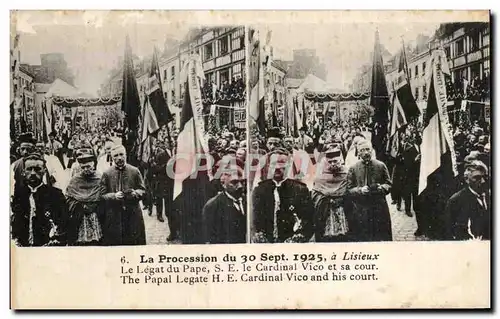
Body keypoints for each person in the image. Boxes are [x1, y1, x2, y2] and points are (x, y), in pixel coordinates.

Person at [252, 148, 314, 243]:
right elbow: (256, 221)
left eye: (281, 163)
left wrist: (297, 238)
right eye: (273, 163)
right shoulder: (260, 190)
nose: (277, 167)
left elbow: (308, 219)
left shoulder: (300, 190)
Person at [11, 153, 68, 246]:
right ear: (23, 172)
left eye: (37, 169)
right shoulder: (18, 194)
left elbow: (63, 222)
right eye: (29, 169)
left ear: (44, 171)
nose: (33, 173)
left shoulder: (56, 194)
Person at [99, 144, 147, 246]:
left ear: (126, 155)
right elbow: (101, 195)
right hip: (114, 215)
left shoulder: (134, 171)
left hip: (133, 214)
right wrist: (113, 196)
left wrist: (136, 193)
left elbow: (143, 190)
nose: (119, 158)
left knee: (134, 243)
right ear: (112, 158)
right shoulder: (107, 173)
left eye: (121, 154)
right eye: (116, 155)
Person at [346, 140, 392, 241]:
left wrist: (382, 188)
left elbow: (389, 184)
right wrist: (360, 190)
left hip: (379, 207)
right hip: (362, 209)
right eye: (362, 150)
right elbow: (349, 189)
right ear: (358, 153)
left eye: (368, 149)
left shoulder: (381, 165)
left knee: (380, 236)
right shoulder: (353, 168)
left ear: (371, 150)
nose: (366, 152)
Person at [311, 145, 349, 242]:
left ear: (340, 160)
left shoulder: (346, 173)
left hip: (342, 209)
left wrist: (341, 199)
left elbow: (349, 190)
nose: (332, 164)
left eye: (335, 161)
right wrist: (326, 200)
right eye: (330, 162)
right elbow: (316, 192)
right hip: (325, 210)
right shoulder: (320, 174)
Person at [202, 163, 247, 244]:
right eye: (235, 182)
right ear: (223, 184)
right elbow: (209, 237)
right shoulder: (213, 205)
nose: (240, 186)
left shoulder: (248, 202)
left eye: (242, 182)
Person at [445, 161, 490, 240]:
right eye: (477, 178)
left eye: (484, 177)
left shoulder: (489, 197)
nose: (483, 181)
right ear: (467, 179)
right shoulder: (456, 200)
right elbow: (449, 230)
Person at [66, 153, 103, 246]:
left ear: (93, 165)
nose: (86, 169)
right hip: (79, 214)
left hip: (96, 213)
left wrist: (94, 205)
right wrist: (79, 205)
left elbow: (104, 195)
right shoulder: (75, 179)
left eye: (88, 166)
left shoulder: (100, 178)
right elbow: (68, 196)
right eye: (83, 167)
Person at [150, 139, 178, 241]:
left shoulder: (179, 153)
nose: (171, 143)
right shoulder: (161, 155)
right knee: (169, 211)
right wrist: (167, 166)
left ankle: (179, 230)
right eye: (168, 142)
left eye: (172, 142)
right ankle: (173, 232)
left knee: (178, 209)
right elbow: (156, 169)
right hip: (167, 187)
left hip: (178, 185)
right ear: (165, 144)